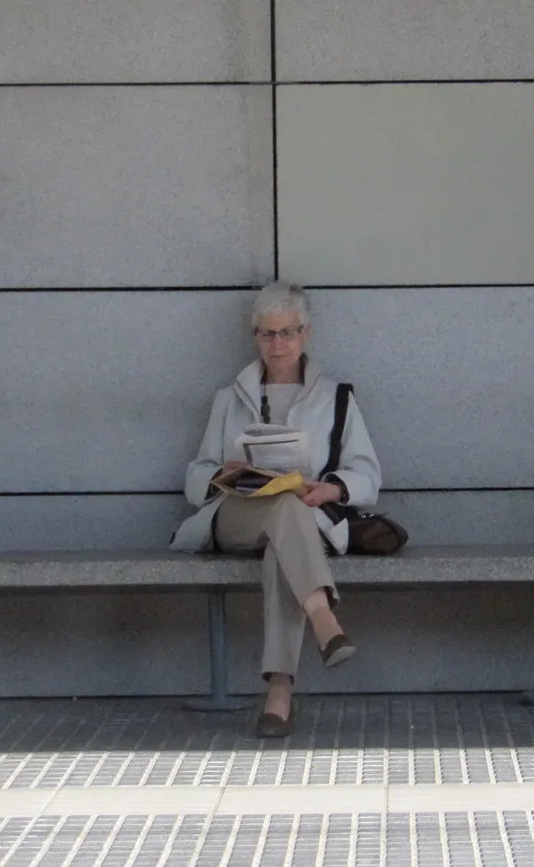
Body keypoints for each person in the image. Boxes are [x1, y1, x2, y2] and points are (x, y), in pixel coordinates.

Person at [172, 281, 382, 738]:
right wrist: (222, 474)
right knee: (281, 508)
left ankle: (279, 694)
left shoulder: (336, 397)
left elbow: (368, 476)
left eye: (287, 332)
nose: (278, 344)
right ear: (255, 337)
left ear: (306, 333)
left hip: (302, 519)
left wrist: (330, 489)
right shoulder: (231, 398)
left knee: (284, 534)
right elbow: (194, 478)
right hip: (238, 518)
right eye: (267, 334)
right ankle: (323, 616)